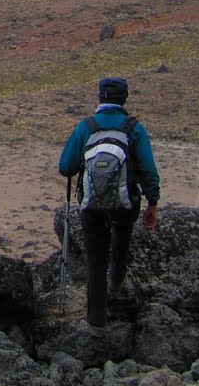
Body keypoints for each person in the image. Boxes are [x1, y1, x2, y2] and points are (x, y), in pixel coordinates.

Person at [58, 76, 160, 335]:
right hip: (126, 203)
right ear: (124, 99)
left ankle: (96, 322)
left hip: (91, 204)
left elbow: (65, 167)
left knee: (95, 257)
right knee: (122, 236)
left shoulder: (87, 126)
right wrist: (153, 202)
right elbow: (148, 169)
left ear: (100, 98)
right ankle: (116, 282)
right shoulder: (133, 128)